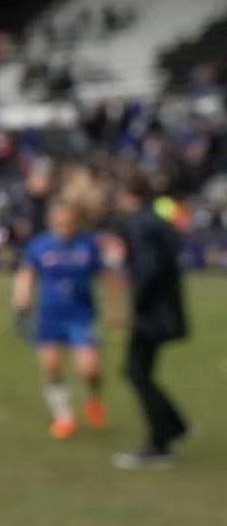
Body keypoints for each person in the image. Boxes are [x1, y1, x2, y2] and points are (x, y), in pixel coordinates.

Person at [10, 175, 114, 440]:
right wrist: (22, 305)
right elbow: (26, 275)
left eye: (66, 218)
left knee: (90, 368)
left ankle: (93, 397)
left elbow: (106, 277)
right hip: (50, 317)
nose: (62, 223)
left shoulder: (88, 244)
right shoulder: (41, 245)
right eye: (57, 218)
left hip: (81, 316)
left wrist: (116, 309)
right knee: (52, 366)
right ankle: (64, 418)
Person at [111, 171, 192, 469]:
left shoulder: (139, 225)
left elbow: (147, 269)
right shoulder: (157, 220)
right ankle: (175, 425)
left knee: (137, 372)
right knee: (140, 372)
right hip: (166, 309)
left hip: (151, 314)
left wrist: (138, 307)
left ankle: (161, 442)